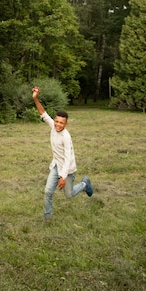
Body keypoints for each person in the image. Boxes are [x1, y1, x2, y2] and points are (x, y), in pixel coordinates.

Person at [32, 86, 93, 221]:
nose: (58, 125)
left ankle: (84, 184)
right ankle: (48, 217)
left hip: (68, 170)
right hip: (56, 166)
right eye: (57, 121)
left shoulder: (66, 137)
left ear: (66, 124)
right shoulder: (53, 126)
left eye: (61, 123)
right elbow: (43, 113)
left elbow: (67, 159)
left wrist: (63, 177)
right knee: (48, 191)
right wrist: (35, 98)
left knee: (69, 195)